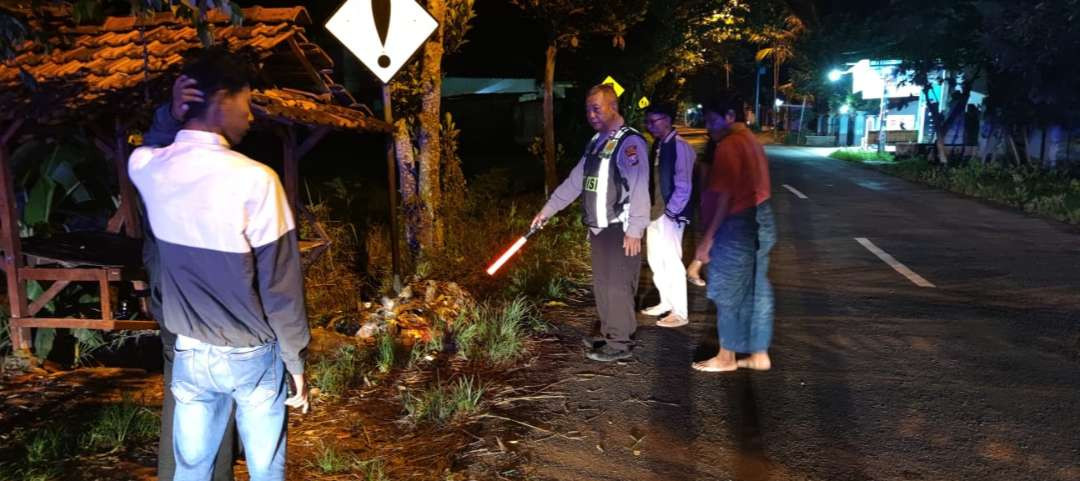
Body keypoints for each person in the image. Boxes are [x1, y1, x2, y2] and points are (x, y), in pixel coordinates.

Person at [129, 47, 310, 481]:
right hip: (250, 353)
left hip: (190, 351)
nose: (250, 117)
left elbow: (152, 145)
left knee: (192, 468)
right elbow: (280, 288)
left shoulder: (149, 168)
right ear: (222, 100)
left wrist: (171, 114)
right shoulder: (256, 180)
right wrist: (297, 364)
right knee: (266, 469)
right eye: (246, 104)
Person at [142, 75, 237, 481]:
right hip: (195, 304)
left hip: (184, 301)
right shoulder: (178, 165)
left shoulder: (169, 165)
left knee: (193, 397)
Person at [531, 84, 650, 362]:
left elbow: (640, 186)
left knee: (618, 285)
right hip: (598, 228)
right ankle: (610, 334)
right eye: (588, 109)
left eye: (596, 108)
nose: (591, 114)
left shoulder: (629, 143)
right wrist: (547, 211)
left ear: (613, 107)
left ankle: (620, 343)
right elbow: (575, 182)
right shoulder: (597, 142)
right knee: (603, 284)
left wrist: (635, 229)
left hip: (620, 228)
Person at [691, 97, 776, 373]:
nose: (708, 127)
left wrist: (706, 242)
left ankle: (726, 357)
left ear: (729, 115)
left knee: (727, 287)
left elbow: (725, 198)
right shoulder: (751, 139)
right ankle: (759, 353)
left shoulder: (729, 145)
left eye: (711, 120)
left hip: (738, 220)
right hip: (763, 216)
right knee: (757, 287)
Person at [641, 103, 695, 328]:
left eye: (655, 120)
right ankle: (665, 302)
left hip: (669, 213)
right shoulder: (659, 145)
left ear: (668, 119)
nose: (651, 126)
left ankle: (680, 311)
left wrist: (672, 212)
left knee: (672, 261)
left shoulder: (680, 146)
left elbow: (684, 183)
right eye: (648, 121)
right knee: (656, 260)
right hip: (654, 211)